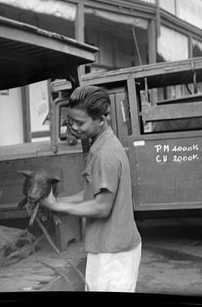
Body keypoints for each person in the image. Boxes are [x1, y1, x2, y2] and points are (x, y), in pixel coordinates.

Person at [41, 85, 142, 292]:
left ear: (101, 120)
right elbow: (89, 194)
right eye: (71, 122)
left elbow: (101, 207)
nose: (74, 128)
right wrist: (54, 202)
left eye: (80, 123)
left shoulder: (105, 154)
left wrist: (59, 208)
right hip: (108, 246)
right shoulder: (101, 145)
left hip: (113, 252)